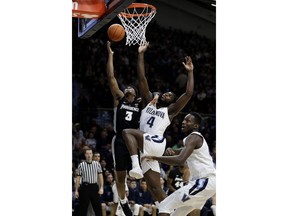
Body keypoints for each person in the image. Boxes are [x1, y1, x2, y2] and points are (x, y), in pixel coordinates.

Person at [122, 42, 194, 203]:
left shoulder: (169, 111)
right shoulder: (148, 101)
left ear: (172, 102)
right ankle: (172, 211)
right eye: (166, 93)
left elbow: (188, 94)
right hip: (145, 145)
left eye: (170, 95)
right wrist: (140, 54)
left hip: (154, 141)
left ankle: (135, 166)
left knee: (127, 132)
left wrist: (190, 72)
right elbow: (141, 78)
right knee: (156, 190)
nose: (167, 94)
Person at [142, 112, 216, 216]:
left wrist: (155, 158)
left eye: (188, 121)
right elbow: (183, 151)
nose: (183, 122)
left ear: (196, 126)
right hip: (207, 184)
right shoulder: (192, 140)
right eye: (184, 120)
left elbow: (180, 160)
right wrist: (173, 150)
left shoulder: (194, 137)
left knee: (164, 206)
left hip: (203, 182)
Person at [106, 41, 142, 216]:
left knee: (139, 173)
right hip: (119, 140)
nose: (127, 87)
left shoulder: (139, 104)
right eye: (125, 87)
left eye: (130, 88)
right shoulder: (119, 99)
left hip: (134, 141)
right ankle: (123, 201)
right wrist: (111, 56)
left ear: (135, 94)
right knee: (120, 177)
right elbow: (111, 78)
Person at [75, 148, 104, 216]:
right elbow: (78, 178)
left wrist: (101, 188)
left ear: (92, 155)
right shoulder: (81, 165)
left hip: (94, 187)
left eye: (90, 153)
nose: (89, 155)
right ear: (85, 155)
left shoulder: (97, 164)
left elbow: (100, 177)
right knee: (83, 208)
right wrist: (76, 190)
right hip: (84, 187)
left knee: (97, 208)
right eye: (87, 153)